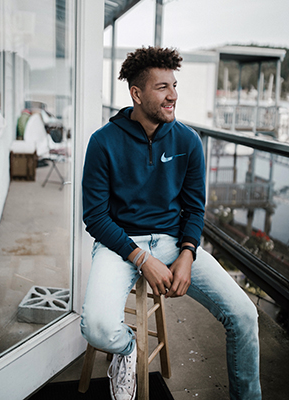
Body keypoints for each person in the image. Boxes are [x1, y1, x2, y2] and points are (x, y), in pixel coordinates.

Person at [80, 47, 261, 400]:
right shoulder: (103, 142)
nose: (173, 95)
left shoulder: (189, 141)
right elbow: (96, 217)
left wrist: (188, 254)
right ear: (137, 93)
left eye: (174, 85)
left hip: (172, 241)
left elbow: (195, 209)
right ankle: (128, 350)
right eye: (162, 87)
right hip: (119, 243)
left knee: (244, 315)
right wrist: (141, 259)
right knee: (98, 329)